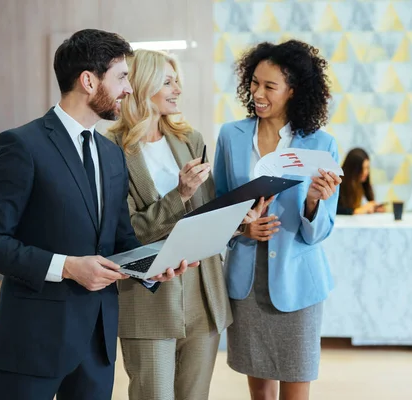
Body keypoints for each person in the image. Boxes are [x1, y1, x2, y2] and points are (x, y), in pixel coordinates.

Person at [0, 29, 195, 400]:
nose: (128, 89)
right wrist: (69, 266)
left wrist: (153, 266)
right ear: (88, 81)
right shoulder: (21, 145)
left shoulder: (111, 154)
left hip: (97, 344)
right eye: (121, 77)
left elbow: (121, 240)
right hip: (33, 342)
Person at [105, 49, 265, 400]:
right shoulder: (110, 148)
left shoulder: (189, 139)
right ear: (143, 85)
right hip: (148, 300)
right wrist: (180, 193)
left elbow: (205, 213)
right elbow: (127, 232)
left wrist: (239, 220)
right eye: (168, 81)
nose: (177, 89)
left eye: (177, 81)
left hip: (203, 292)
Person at [213, 40, 342, 400]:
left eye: (270, 86)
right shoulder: (231, 136)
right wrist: (244, 227)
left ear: (293, 91)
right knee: (260, 393)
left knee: (296, 386)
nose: (258, 93)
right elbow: (219, 207)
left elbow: (320, 233)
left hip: (298, 283)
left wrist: (314, 201)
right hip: (246, 282)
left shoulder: (321, 144)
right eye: (254, 83)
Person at [337, 147, 385, 215]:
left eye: (367, 168)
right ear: (353, 170)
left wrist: (374, 208)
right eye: (362, 168)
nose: (366, 172)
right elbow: (335, 209)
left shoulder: (363, 184)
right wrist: (357, 211)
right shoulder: (338, 184)